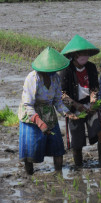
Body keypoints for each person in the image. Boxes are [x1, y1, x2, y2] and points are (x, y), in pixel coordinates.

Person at [18, 47, 77, 175]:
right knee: (31, 148)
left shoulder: (55, 78)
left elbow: (57, 101)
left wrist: (67, 113)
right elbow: (28, 104)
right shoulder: (32, 78)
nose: (53, 71)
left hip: (48, 114)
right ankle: (29, 174)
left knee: (57, 147)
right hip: (31, 116)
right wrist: (39, 122)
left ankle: (58, 174)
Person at [59, 35, 101, 167]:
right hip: (74, 107)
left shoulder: (91, 67)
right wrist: (76, 105)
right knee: (77, 140)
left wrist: (93, 101)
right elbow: (62, 94)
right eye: (82, 54)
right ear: (74, 55)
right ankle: (78, 166)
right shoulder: (66, 70)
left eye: (87, 54)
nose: (85, 57)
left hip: (89, 105)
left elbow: (94, 87)